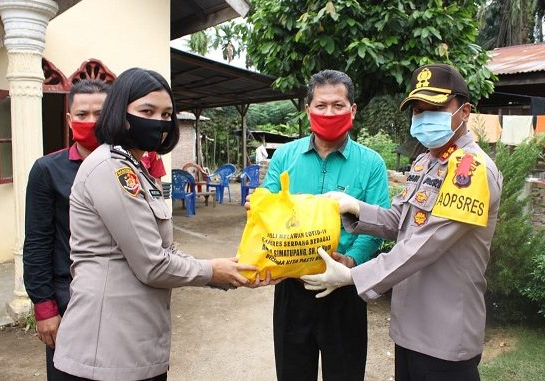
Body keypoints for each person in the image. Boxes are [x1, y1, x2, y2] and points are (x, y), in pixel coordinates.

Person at [301, 64, 504, 381]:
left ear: (464, 111)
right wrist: (355, 209)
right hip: (410, 326)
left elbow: (424, 245)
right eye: (418, 110)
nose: (423, 118)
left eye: (434, 109)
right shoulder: (427, 161)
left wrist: (353, 276)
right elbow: (400, 220)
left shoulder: (471, 170)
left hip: (445, 332)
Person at [52, 68, 256, 381]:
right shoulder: (111, 169)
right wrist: (212, 271)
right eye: (147, 111)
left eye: (167, 114)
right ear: (120, 111)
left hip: (133, 338)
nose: (159, 122)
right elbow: (152, 263)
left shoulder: (136, 168)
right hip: (106, 348)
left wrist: (224, 270)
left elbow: (166, 248)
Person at [261, 69, 390, 381]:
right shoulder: (284, 157)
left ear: (353, 110)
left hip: (345, 289)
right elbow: (267, 213)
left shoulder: (371, 163)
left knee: (345, 374)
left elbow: (379, 224)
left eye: (338, 105)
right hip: (293, 287)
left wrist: (351, 261)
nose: (329, 112)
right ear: (308, 110)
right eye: (321, 105)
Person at [23, 79, 110, 380]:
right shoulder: (48, 170)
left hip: (117, 298)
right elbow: (36, 244)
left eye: (99, 114)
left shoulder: (127, 169)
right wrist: (45, 308)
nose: (91, 121)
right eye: (82, 114)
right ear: (69, 120)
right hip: (69, 297)